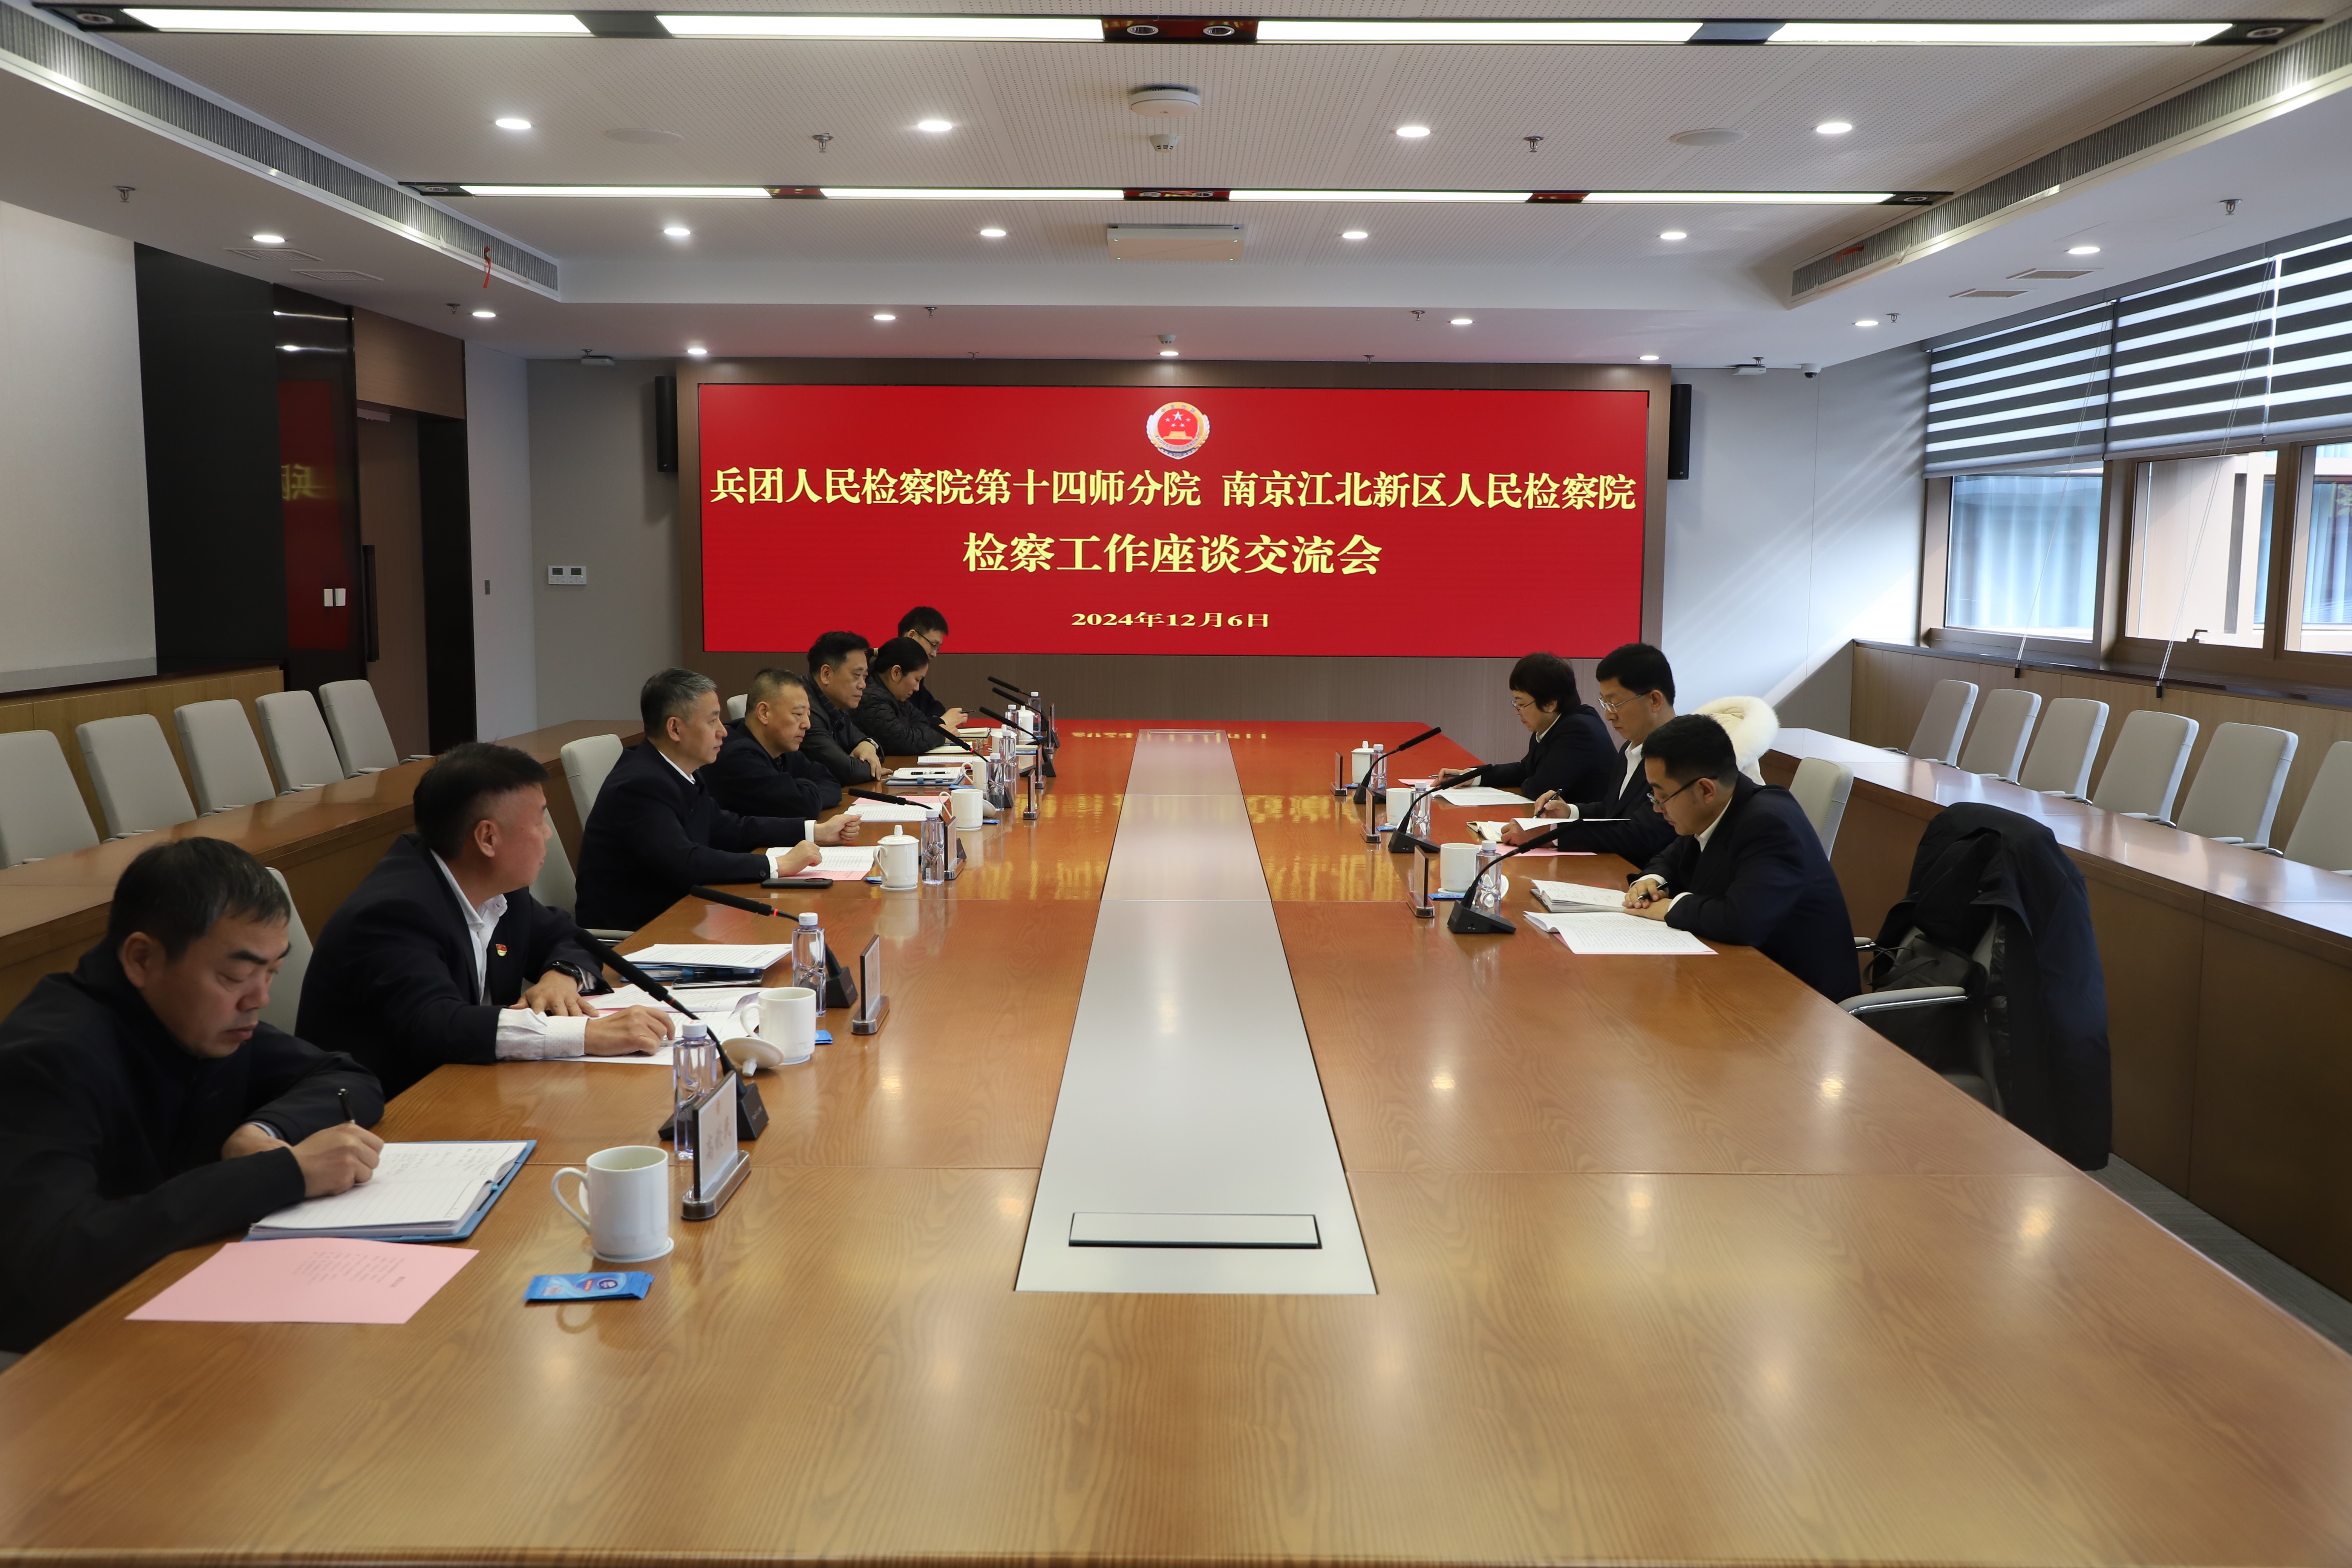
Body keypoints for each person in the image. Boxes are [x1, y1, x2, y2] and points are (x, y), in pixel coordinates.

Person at [0, 839, 386, 1354]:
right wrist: (280, 1173)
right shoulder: (48, 1057)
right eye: (235, 976)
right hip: (64, 1350)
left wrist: (262, 1132)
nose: (260, 999)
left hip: (187, 1297)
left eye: (271, 972)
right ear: (142, 958)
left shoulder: (201, 1019)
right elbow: (57, 1257)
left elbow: (345, 1076)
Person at [299, 744, 677, 1098]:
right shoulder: (394, 912)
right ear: (488, 838)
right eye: (540, 821)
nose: (548, 834)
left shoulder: (499, 888)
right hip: (389, 1111)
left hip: (472, 1086)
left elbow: (567, 935)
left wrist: (560, 976)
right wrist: (585, 1034)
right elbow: (436, 1023)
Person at [575, 669, 860, 933]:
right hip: (636, 934)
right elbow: (686, 862)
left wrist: (814, 832)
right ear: (675, 729)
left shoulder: (680, 772)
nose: (723, 731)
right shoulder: (641, 785)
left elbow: (730, 828)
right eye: (712, 721)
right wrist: (777, 864)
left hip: (683, 915)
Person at [1623, 714, 1857, 1003]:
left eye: (1662, 796)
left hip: (1802, 999)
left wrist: (1671, 907)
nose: (1658, 808)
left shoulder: (1769, 824)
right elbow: (1672, 857)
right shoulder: (1716, 811)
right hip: (1743, 978)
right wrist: (1652, 880)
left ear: (1706, 790)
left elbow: (1742, 921)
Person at [1503, 642, 1680, 864]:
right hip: (1612, 866)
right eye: (1605, 703)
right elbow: (1611, 810)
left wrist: (1551, 834)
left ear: (1654, 700)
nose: (1609, 715)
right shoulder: (1631, 747)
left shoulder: (1682, 755)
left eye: (1615, 704)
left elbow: (1642, 834)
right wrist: (1569, 812)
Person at [1437, 651, 1616, 803]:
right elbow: (1525, 769)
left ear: (1550, 704)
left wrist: (1528, 779)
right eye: (1516, 704)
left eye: (1522, 704)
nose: (1518, 712)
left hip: (1593, 828)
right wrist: (1472, 775)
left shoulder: (1578, 731)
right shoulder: (1554, 724)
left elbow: (1540, 789)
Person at [705, 668, 844, 820]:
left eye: (808, 715)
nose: (807, 725)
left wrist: (803, 791)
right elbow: (804, 807)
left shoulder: (781, 748)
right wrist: (805, 790)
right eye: (798, 714)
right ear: (764, 713)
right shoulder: (735, 756)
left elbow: (831, 783)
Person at [802, 631, 885, 785]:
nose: (863, 685)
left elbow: (869, 743)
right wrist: (871, 767)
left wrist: (868, 745)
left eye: (865, 677)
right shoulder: (804, 710)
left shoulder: (835, 703)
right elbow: (848, 772)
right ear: (826, 674)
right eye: (857, 675)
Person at [858, 635, 955, 757]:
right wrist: (940, 735)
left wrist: (916, 733)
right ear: (896, 672)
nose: (917, 688)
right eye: (917, 680)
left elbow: (924, 723)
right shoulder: (871, 699)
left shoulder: (896, 696)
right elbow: (903, 741)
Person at [897, 606, 966, 729]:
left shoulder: (914, 671)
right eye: (933, 645)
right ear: (912, 636)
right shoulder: (887, 671)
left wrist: (937, 720)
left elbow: (934, 707)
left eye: (937, 648)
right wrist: (942, 722)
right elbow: (903, 727)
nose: (934, 654)